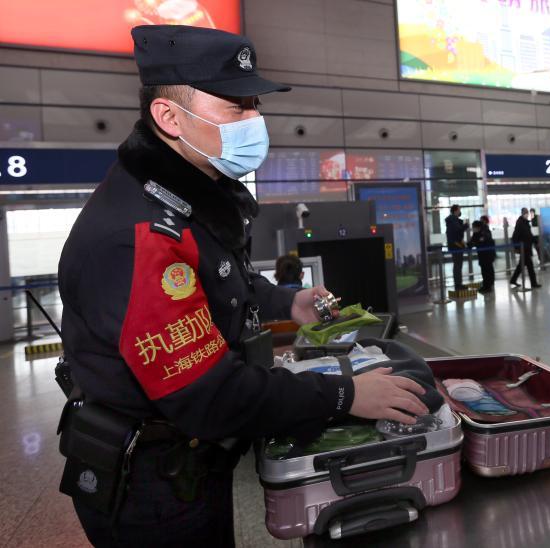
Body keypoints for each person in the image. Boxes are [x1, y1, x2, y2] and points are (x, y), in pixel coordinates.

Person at [57, 25, 428, 546]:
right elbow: (211, 396)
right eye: (236, 107)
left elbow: (223, 276)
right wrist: (345, 393)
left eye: (255, 104)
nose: (255, 121)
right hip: (150, 489)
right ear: (169, 117)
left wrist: (288, 302)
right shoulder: (140, 236)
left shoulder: (190, 195)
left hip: (189, 463)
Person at [510, 207, 540, 289]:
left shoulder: (526, 223)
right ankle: (534, 283)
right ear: (522, 213)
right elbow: (515, 235)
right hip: (524, 248)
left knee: (521, 265)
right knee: (530, 266)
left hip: (526, 247)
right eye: (525, 213)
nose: (527, 214)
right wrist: (516, 247)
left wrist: (535, 241)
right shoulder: (520, 223)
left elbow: (529, 234)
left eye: (527, 213)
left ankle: (513, 280)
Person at [468, 220, 496, 294]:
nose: (473, 229)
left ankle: (488, 286)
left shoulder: (485, 232)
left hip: (488, 254)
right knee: (484, 270)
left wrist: (476, 242)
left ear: (478, 227)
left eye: (473, 227)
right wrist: (469, 245)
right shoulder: (476, 233)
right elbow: (473, 241)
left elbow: (483, 241)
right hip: (482, 255)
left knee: (487, 270)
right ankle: (486, 285)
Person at [445, 204, 468, 291]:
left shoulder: (453, 220)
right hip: (456, 246)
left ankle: (459, 284)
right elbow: (457, 231)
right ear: (455, 211)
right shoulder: (452, 220)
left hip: (456, 245)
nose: (460, 211)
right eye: (459, 210)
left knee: (458, 265)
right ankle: (458, 285)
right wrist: (465, 226)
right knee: (458, 266)